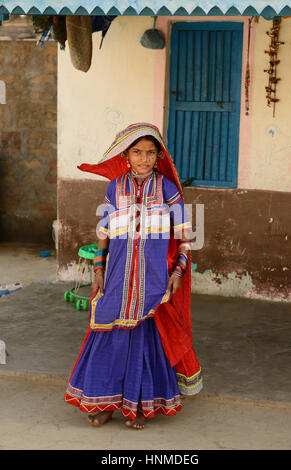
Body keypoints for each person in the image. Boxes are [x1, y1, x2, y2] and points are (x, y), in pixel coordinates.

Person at [64, 123, 203, 430]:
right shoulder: (114, 187)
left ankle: (139, 406)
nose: (144, 159)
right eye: (137, 152)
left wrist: (178, 272)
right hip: (116, 276)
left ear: (159, 156)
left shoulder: (168, 189)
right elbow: (104, 233)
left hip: (153, 278)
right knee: (107, 336)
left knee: (144, 342)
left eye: (150, 153)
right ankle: (105, 404)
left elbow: (185, 237)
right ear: (126, 154)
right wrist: (98, 270)